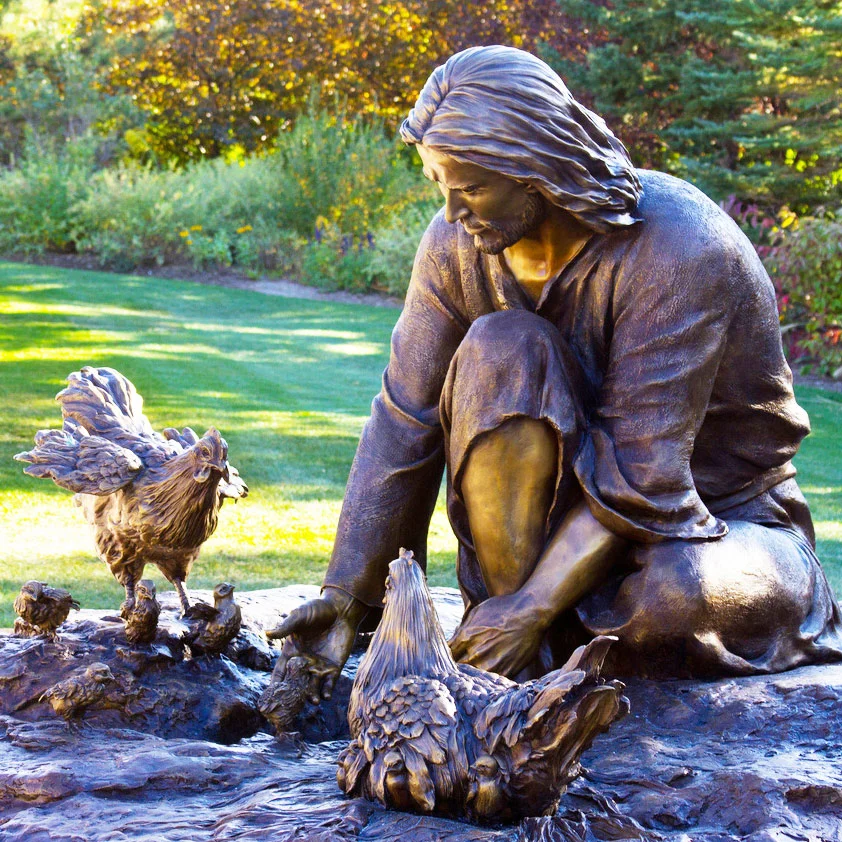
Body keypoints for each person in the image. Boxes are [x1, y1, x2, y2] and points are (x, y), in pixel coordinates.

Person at [270, 45, 842, 701]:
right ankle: (522, 652)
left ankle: (537, 628)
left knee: (672, 593)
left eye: (473, 187)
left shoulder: (680, 246)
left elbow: (641, 467)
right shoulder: (457, 246)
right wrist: (347, 597)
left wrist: (539, 605)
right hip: (537, 545)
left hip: (714, 528)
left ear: (537, 167)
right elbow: (405, 418)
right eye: (439, 185)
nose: (452, 211)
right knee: (500, 348)